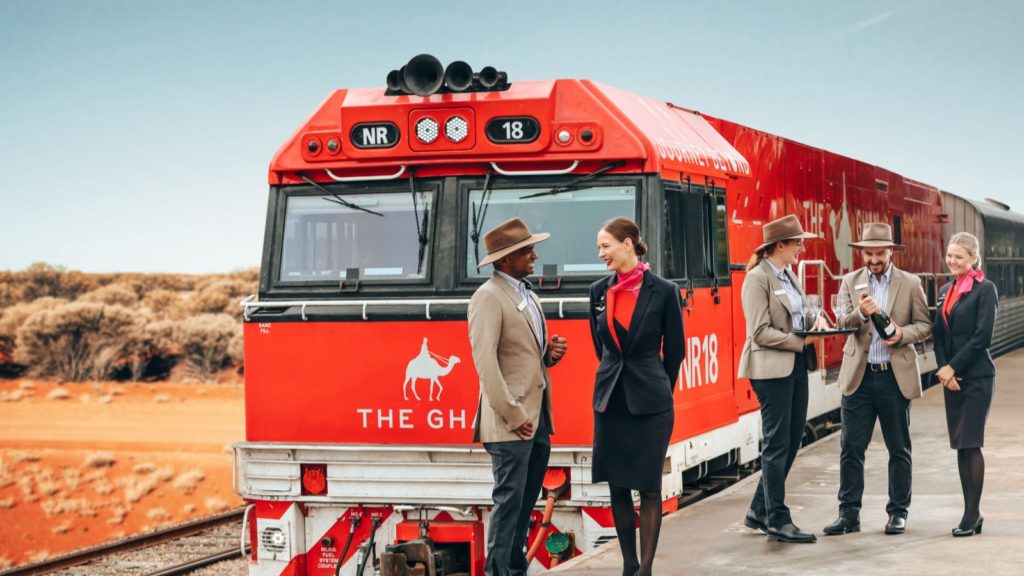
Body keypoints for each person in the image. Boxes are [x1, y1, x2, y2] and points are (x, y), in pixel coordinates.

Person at [468, 217, 568, 576]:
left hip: (536, 420)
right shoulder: (488, 298)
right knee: (509, 505)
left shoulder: (527, 294)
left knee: (524, 505)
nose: (534, 255)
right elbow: (486, 365)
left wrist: (549, 354)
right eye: (526, 250)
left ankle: (514, 570)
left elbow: (523, 358)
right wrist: (513, 414)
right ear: (504, 259)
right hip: (513, 423)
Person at [588, 216, 684, 576]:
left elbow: (675, 352)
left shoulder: (664, 291)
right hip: (610, 401)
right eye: (599, 247)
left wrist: (659, 388)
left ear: (628, 243)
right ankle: (628, 565)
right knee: (617, 487)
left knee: (648, 488)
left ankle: (646, 569)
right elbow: (602, 348)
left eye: (605, 246)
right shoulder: (598, 291)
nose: (601, 254)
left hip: (652, 405)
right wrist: (619, 380)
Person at [823, 223, 932, 537]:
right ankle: (848, 515)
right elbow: (842, 322)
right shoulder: (850, 281)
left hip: (893, 378)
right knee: (851, 449)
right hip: (859, 377)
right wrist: (860, 312)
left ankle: (898, 513)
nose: (873, 259)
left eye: (879, 253)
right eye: (868, 253)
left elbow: (925, 325)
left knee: (899, 448)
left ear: (890, 252)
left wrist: (901, 334)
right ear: (862, 254)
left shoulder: (910, 283)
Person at [737, 214, 828, 544]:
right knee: (777, 443)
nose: (802, 248)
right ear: (779, 246)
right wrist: (800, 341)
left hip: (794, 365)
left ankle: (759, 510)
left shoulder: (788, 274)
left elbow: (798, 314)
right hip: (770, 370)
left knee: (791, 440)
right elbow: (759, 332)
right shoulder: (757, 279)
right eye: (798, 243)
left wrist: (816, 321)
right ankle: (776, 518)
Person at [933, 232, 997, 537]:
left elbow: (982, 337)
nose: (952, 260)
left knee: (971, 444)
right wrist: (944, 370)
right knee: (960, 445)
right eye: (949, 255)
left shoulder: (986, 290)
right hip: (952, 378)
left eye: (959, 256)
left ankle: (972, 515)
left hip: (976, 377)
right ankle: (971, 512)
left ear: (973, 258)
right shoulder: (946, 289)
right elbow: (939, 335)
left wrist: (952, 367)